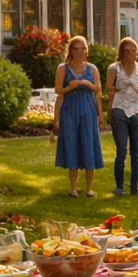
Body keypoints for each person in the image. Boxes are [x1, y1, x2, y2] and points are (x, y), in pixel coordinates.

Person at [52, 35, 104, 198]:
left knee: (89, 144)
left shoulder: (92, 69)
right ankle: (73, 188)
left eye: (83, 48)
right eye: (77, 48)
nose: (81, 51)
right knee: (71, 145)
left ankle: (89, 188)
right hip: (70, 109)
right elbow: (58, 90)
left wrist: (89, 86)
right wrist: (70, 87)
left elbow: (98, 90)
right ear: (71, 51)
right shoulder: (63, 68)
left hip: (88, 109)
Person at [105, 37, 138, 196]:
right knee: (122, 151)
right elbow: (108, 86)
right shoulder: (114, 68)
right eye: (128, 50)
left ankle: (134, 186)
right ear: (122, 52)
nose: (131, 53)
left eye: (134, 50)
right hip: (120, 109)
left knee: (136, 152)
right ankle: (119, 186)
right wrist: (119, 87)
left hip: (137, 110)